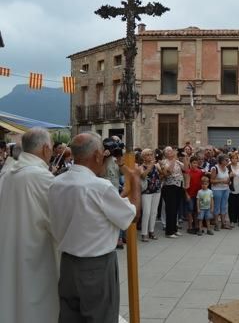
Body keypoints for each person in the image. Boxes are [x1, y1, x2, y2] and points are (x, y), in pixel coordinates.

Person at [48, 132, 136, 323]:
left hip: (68, 264)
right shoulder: (99, 186)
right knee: (101, 316)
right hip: (96, 265)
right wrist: (135, 182)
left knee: (70, 317)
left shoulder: (56, 183)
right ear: (97, 155)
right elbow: (131, 216)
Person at [0, 128, 58, 323]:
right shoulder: (42, 177)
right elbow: (59, 221)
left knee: (12, 301)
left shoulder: (6, 174)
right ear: (45, 149)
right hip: (36, 254)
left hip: (9, 250)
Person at [160, 146, 187, 238]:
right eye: (169, 151)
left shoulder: (177, 161)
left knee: (175, 209)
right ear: (165, 153)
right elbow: (169, 171)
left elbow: (186, 169)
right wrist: (174, 158)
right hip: (169, 187)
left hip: (178, 186)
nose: (171, 151)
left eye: (172, 150)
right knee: (170, 209)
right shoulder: (164, 162)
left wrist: (186, 157)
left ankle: (174, 229)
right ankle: (169, 231)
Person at [140, 148, 162, 242]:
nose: (150, 156)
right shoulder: (141, 166)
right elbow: (143, 175)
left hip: (156, 190)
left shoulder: (156, 165)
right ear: (143, 157)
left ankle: (151, 231)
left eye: (151, 154)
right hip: (146, 192)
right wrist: (151, 166)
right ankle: (144, 233)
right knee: (146, 212)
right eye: (148, 155)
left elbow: (162, 174)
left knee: (154, 212)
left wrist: (161, 168)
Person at [210, 153, 232, 230]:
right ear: (221, 160)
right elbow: (211, 180)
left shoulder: (227, 168)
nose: (228, 161)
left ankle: (223, 223)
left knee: (224, 206)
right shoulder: (215, 168)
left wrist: (229, 181)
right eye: (226, 160)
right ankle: (216, 224)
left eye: (228, 160)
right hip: (217, 190)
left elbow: (228, 180)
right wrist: (222, 181)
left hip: (225, 189)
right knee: (217, 207)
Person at [228, 152, 239, 227]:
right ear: (230, 159)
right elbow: (226, 178)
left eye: (236, 158)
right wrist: (229, 176)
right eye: (233, 158)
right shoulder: (228, 167)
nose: (234, 160)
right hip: (231, 189)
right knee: (231, 206)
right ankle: (232, 221)